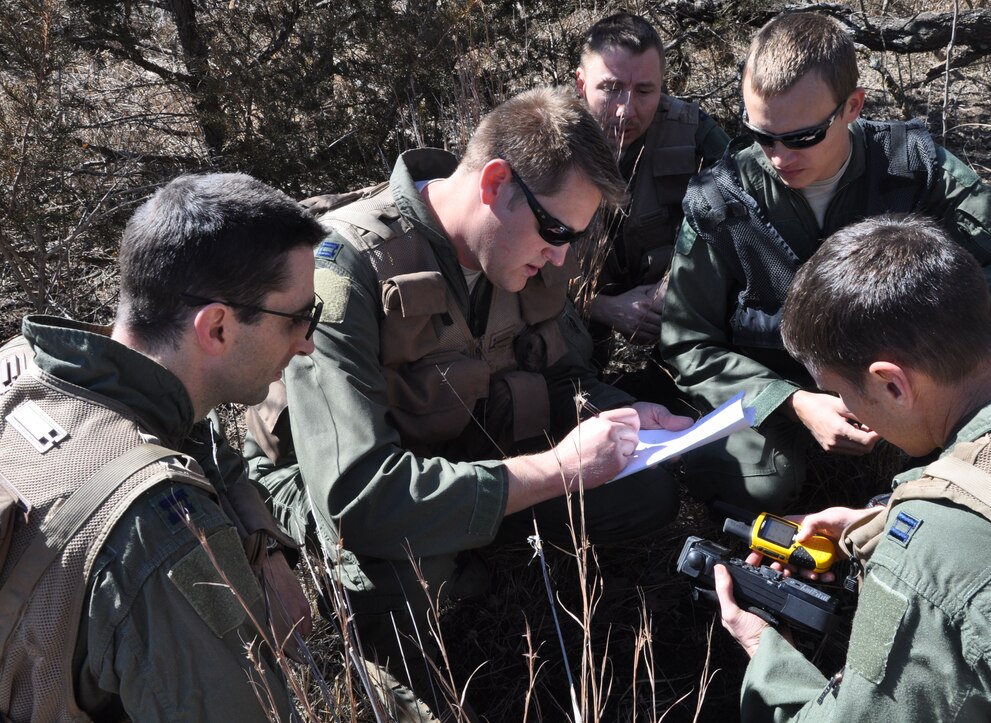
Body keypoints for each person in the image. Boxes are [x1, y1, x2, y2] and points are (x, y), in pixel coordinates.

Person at [245, 87, 692, 714]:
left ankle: (478, 554)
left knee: (644, 490)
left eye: (575, 238)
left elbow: (560, 375)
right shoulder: (345, 271)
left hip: (469, 451)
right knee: (409, 573)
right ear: (495, 183)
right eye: (556, 230)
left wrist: (616, 414)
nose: (562, 255)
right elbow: (358, 500)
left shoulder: (523, 252)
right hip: (332, 486)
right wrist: (557, 471)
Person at [660, 11, 991, 511]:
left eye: (803, 137)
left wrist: (930, 321)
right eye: (762, 136)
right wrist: (791, 401)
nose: (781, 156)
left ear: (853, 106)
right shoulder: (720, 202)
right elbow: (688, 343)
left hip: (914, 367)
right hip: (783, 379)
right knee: (759, 478)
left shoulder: (912, 164)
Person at [714, 214, 991, 720]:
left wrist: (766, 657)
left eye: (842, 394)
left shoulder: (934, 554)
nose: (845, 410)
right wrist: (895, 514)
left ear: (892, 384)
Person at [0, 173, 324, 721]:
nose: (307, 341)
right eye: (296, 317)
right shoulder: (165, 535)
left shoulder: (23, 367)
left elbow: (182, 430)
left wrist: (264, 548)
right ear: (217, 328)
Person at [576, 12, 730, 357]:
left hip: (670, 306)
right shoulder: (547, 136)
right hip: (574, 314)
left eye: (644, 91)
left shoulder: (692, 131)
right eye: (611, 89)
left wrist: (675, 284)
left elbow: (743, 218)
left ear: (662, 86)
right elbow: (512, 272)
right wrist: (600, 307)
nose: (625, 111)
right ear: (581, 83)